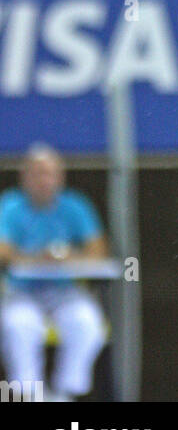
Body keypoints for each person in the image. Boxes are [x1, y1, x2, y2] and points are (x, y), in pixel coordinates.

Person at [0, 145, 109, 402]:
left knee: (87, 323)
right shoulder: (10, 205)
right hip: (21, 291)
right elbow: (3, 251)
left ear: (60, 178)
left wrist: (67, 257)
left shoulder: (75, 205)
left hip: (65, 291)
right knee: (18, 326)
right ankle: (30, 395)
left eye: (49, 174)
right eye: (37, 173)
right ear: (24, 177)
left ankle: (64, 394)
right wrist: (37, 258)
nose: (44, 180)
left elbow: (98, 250)